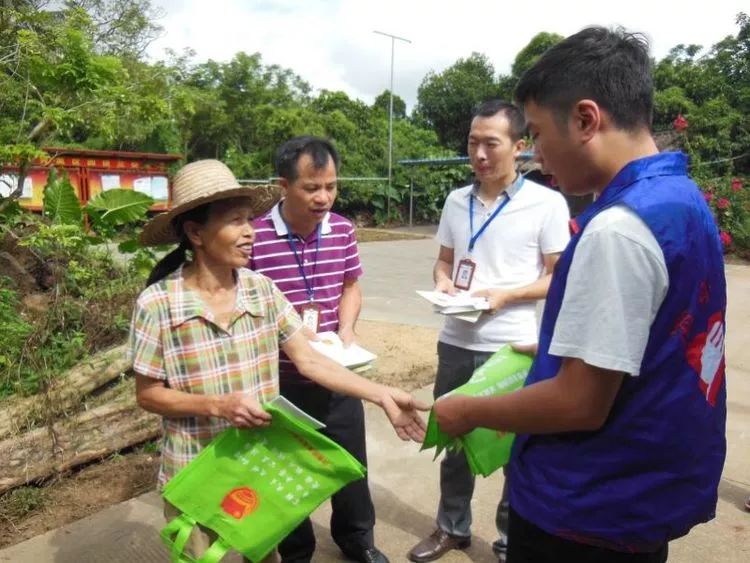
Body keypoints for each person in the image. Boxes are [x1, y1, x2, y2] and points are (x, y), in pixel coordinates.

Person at [434, 27, 727, 563]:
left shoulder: (618, 228)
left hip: (586, 506)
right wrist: (543, 349)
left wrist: (468, 410)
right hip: (640, 490)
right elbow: (650, 338)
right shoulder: (679, 197)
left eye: (540, 134)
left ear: (587, 120)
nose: (540, 157)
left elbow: (580, 402)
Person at [129, 159, 427, 563]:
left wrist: (381, 394)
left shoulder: (261, 291)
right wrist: (219, 405)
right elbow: (148, 395)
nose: (250, 232)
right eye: (235, 222)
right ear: (195, 233)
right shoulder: (158, 304)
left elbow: (311, 361)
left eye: (249, 220)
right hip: (194, 472)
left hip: (258, 468)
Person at [407, 101, 570, 563]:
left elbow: (557, 276)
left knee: (512, 445)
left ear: (519, 147)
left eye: (490, 143)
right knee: (452, 438)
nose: (479, 153)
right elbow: (444, 260)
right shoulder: (457, 200)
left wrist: (507, 295)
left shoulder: (547, 204)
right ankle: (451, 528)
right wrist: (443, 282)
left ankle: (508, 539)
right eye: (472, 142)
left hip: (512, 346)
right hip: (456, 338)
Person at [249, 136, 389, 563]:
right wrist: (289, 337)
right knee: (290, 471)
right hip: (283, 382)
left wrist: (346, 329)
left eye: (331, 186)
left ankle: (357, 539)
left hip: (337, 373)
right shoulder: (254, 238)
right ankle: (296, 551)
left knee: (350, 464)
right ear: (283, 185)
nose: (323, 197)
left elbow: (350, 287)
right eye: (312, 188)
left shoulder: (343, 230)